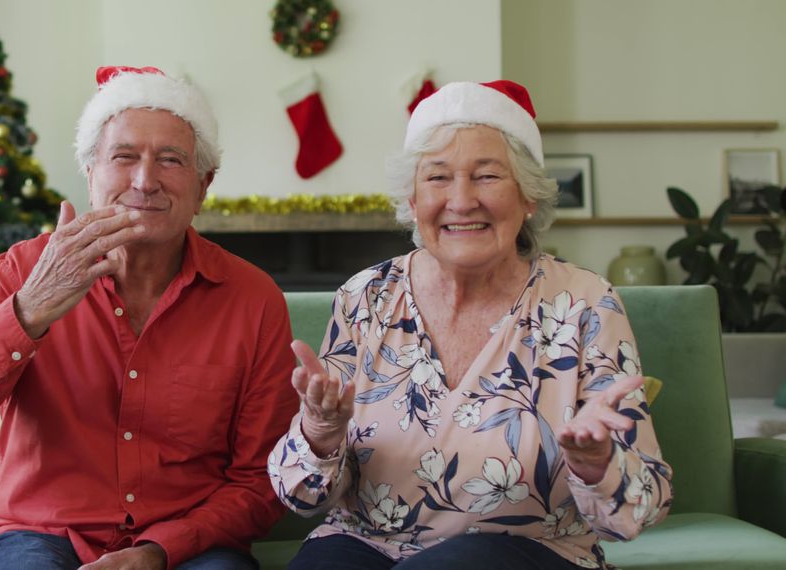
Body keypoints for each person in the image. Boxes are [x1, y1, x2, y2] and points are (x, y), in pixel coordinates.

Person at [0, 66, 299, 570]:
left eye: (170, 161)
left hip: (190, 543)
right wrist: (29, 311)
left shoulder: (252, 298)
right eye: (124, 156)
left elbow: (259, 480)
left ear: (203, 187)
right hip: (38, 534)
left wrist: (159, 551)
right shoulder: (24, 271)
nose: (145, 180)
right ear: (91, 174)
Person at [268, 80, 673, 570]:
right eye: (437, 178)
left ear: (528, 197)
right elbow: (302, 499)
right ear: (413, 201)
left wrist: (596, 465)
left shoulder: (585, 304)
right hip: (367, 543)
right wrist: (319, 432)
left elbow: (639, 508)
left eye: (486, 176)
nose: (461, 201)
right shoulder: (366, 297)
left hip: (535, 550)